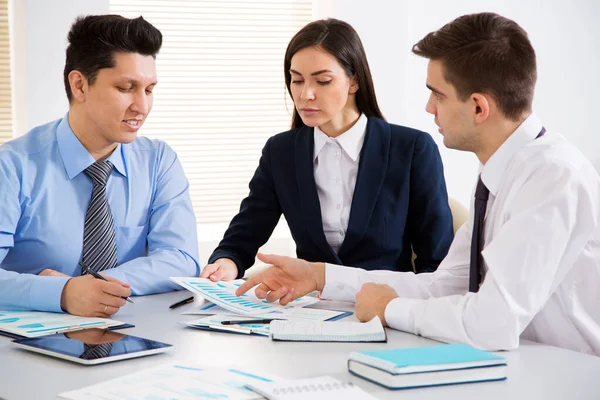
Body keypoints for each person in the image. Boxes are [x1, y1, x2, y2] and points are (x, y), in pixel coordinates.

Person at [236, 12, 600, 356]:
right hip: (524, 364)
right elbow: (444, 285)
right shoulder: (501, 176)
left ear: (478, 107)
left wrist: (390, 308)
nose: (429, 108)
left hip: (570, 371)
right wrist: (320, 276)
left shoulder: (552, 175)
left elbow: (492, 322)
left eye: (437, 94)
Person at [201, 18, 454, 282]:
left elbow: (437, 264)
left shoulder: (412, 149)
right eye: (297, 80)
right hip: (309, 309)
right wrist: (226, 262)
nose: (305, 94)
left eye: (322, 81)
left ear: (353, 81)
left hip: (386, 308)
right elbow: (246, 232)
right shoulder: (281, 152)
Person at [0, 15, 200, 317]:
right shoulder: (13, 166)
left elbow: (181, 257)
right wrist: (62, 295)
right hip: (26, 346)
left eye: (148, 90)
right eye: (125, 88)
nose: (142, 107)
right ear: (80, 85)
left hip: (131, 336)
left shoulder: (158, 161)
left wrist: (95, 286)